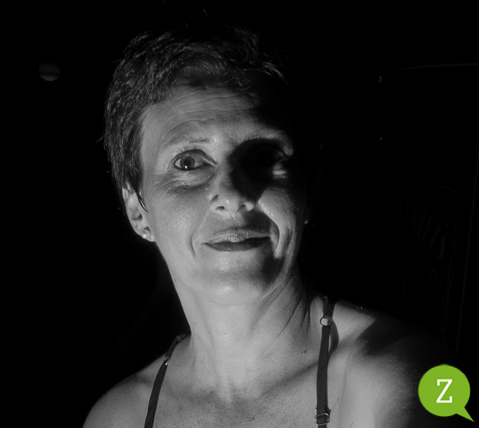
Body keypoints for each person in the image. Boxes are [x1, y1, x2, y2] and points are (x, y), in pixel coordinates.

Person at [84, 23, 466, 428]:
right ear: (138, 211)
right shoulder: (117, 418)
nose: (233, 194)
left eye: (264, 156)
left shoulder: (407, 372)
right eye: (188, 162)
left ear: (309, 192)